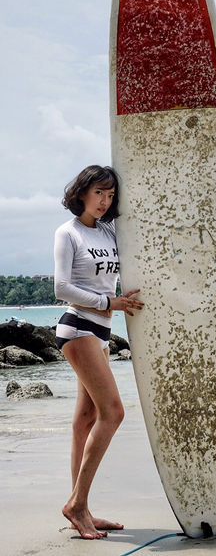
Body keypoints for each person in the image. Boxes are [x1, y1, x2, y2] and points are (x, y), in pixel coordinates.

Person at [54, 165, 143, 540]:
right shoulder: (67, 233)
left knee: (85, 421)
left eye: (110, 195)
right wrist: (110, 301)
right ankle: (76, 504)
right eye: (98, 194)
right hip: (78, 328)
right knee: (114, 412)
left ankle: (82, 508)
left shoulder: (108, 231)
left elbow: (152, 229)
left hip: (102, 333)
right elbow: (62, 287)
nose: (105, 201)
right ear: (82, 193)